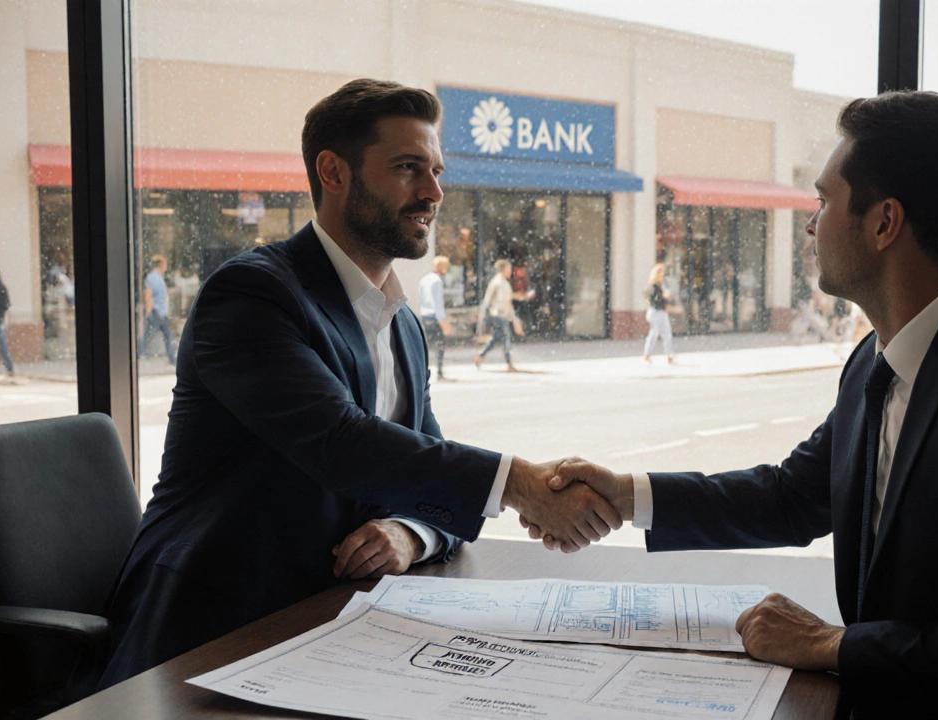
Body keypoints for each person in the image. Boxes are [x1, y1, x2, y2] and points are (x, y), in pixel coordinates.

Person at [531, 91, 938, 717]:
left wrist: (835, 645)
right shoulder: (879, 356)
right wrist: (627, 495)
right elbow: (793, 495)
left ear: (883, 222)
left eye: (823, 200)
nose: (811, 224)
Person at [99, 79, 620, 688]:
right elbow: (341, 443)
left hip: (336, 625)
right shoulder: (252, 295)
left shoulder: (400, 324)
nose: (434, 192)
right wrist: (522, 484)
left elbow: (427, 471)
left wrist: (410, 532)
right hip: (211, 633)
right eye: (408, 169)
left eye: (436, 171)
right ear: (333, 171)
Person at [474, 259, 529, 371]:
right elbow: (500, 301)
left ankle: (481, 355)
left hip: (499, 314)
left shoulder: (500, 282)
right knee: (506, 337)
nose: (510, 272)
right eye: (509, 269)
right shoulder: (500, 283)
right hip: (499, 314)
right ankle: (509, 363)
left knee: (497, 338)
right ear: (503, 269)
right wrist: (514, 319)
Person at [418, 255, 453, 378]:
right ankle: (439, 371)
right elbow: (437, 302)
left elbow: (421, 299)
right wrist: (443, 321)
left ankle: (422, 370)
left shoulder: (425, 279)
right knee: (440, 345)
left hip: (425, 315)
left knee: (427, 345)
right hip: (434, 316)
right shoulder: (437, 281)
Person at [139, 255, 177, 365]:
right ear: (160, 265)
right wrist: (149, 312)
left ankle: (172, 358)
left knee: (158, 335)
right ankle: (139, 353)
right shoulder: (154, 278)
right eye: (165, 264)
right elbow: (148, 296)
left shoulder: (154, 277)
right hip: (157, 312)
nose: (166, 267)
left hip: (160, 312)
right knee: (161, 335)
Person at [642, 262, 675, 363]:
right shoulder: (654, 286)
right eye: (660, 272)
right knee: (655, 333)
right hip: (656, 311)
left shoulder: (659, 285)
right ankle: (648, 355)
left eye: (663, 272)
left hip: (660, 311)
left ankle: (669, 356)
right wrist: (666, 300)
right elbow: (656, 299)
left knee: (665, 333)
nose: (662, 274)